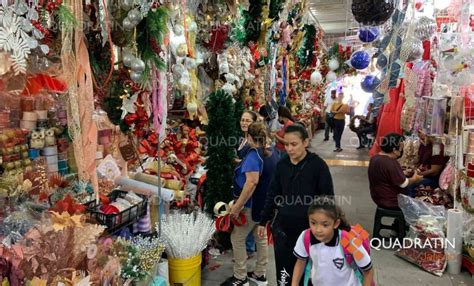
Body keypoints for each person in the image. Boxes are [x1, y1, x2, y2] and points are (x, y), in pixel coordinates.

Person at [257, 123, 334, 286]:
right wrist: (263, 221)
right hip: (283, 230)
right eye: (286, 144)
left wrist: (327, 228)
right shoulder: (282, 164)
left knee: (309, 274)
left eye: (294, 144)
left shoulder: (318, 166)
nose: (289, 149)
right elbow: (272, 194)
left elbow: (328, 199)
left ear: (305, 142)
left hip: (310, 231)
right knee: (284, 274)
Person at [222, 122, 279, 286]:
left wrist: (237, 206)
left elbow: (251, 183)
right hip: (266, 205)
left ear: (249, 137)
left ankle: (240, 277)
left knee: (237, 238)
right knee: (260, 236)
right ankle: (260, 274)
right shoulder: (271, 151)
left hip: (252, 206)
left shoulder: (255, 156)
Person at [292, 199, 374, 286]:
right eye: (313, 223)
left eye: (325, 225)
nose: (318, 230)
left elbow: (368, 270)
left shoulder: (349, 242)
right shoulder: (306, 237)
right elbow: (300, 262)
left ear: (336, 223)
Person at [368, 133, 423, 210]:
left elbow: (386, 175)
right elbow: (403, 184)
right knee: (415, 192)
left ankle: (398, 221)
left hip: (378, 196)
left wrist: (402, 173)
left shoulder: (375, 157)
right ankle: (402, 221)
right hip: (391, 200)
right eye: (401, 149)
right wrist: (415, 178)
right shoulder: (390, 162)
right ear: (394, 150)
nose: (402, 151)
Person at [236, 110, 259, 258]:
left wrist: (237, 162)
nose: (244, 123)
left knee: (247, 216)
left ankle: (249, 248)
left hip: (248, 184)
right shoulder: (241, 139)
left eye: (248, 120)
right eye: (242, 120)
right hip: (241, 182)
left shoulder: (253, 143)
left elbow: (252, 164)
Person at [406, 130, 449, 196]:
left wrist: (418, 174)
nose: (419, 134)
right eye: (418, 132)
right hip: (423, 174)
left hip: (433, 180)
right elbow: (420, 162)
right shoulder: (424, 144)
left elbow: (434, 171)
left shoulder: (437, 147)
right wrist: (413, 170)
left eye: (421, 132)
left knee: (410, 184)